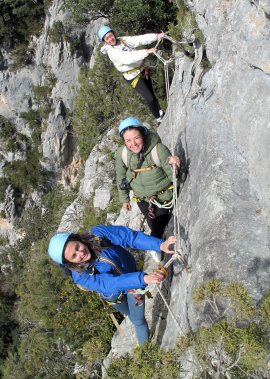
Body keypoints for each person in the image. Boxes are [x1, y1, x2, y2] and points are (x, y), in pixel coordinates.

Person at [48, 224, 176, 346]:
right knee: (131, 316)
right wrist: (142, 278)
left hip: (134, 286)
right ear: (69, 263)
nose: (81, 254)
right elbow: (110, 283)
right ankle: (145, 348)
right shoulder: (80, 275)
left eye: (77, 247)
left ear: (77, 239)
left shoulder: (98, 234)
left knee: (137, 319)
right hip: (115, 296)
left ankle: (145, 350)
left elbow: (128, 237)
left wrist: (159, 245)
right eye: (74, 256)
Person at [115, 117, 180, 261]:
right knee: (154, 224)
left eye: (136, 138)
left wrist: (175, 167)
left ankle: (155, 246)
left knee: (159, 224)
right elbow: (120, 177)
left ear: (143, 135)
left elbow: (174, 177)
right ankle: (158, 244)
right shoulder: (123, 154)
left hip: (163, 197)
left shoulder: (158, 150)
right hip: (142, 200)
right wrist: (124, 199)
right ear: (124, 142)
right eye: (128, 141)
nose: (133, 144)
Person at [98, 25, 165, 125]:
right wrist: (146, 52)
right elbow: (128, 58)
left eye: (111, 36)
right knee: (149, 98)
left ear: (113, 34)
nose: (110, 39)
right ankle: (158, 118)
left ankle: (160, 111)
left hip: (141, 69)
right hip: (132, 76)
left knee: (151, 93)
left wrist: (156, 36)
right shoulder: (112, 52)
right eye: (107, 38)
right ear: (105, 41)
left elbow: (138, 40)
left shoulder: (122, 40)